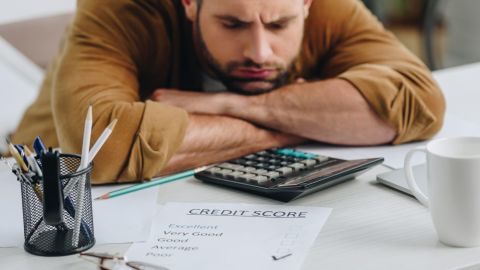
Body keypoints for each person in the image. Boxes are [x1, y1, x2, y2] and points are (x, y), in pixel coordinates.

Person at [11, 0, 445, 184]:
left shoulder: (329, 9)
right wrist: (306, 120)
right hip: (43, 199)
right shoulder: (119, 9)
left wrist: (233, 105)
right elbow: (99, 147)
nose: (259, 51)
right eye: (232, 24)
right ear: (189, 4)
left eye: (279, 25)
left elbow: (420, 103)